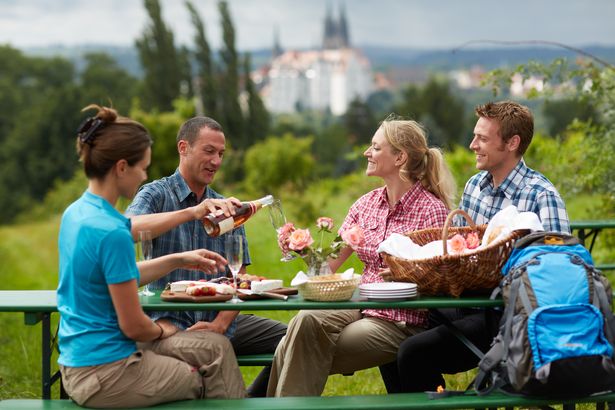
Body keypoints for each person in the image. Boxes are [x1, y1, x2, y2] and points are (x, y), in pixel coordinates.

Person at [57, 105, 245, 408]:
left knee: (212, 350)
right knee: (204, 370)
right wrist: (164, 329)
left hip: (74, 361)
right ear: (121, 167)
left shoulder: (76, 213)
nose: (144, 175)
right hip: (108, 371)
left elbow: (120, 272)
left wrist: (178, 259)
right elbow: (134, 327)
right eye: (142, 167)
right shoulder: (113, 231)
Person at [380, 100, 571, 393]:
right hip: (463, 303)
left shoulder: (541, 195)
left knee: (411, 351)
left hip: (506, 316)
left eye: (482, 138)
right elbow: (462, 252)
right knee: (389, 337)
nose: (472, 145)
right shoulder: (475, 186)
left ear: (512, 143)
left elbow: (560, 268)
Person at [266, 117, 457, 397]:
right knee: (304, 320)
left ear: (400, 157)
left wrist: (404, 273)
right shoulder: (365, 205)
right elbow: (328, 265)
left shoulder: (432, 211)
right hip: (358, 303)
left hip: (399, 319)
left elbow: (442, 278)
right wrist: (301, 247)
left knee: (297, 347)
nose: (367, 152)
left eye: (375, 147)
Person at [126, 116, 287, 397]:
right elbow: (126, 229)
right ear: (183, 148)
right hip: (170, 320)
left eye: (221, 154)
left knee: (294, 339)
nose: (216, 161)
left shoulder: (227, 208)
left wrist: (220, 324)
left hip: (219, 320)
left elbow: (241, 278)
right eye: (209, 151)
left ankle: (252, 400)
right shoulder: (155, 194)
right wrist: (192, 212)